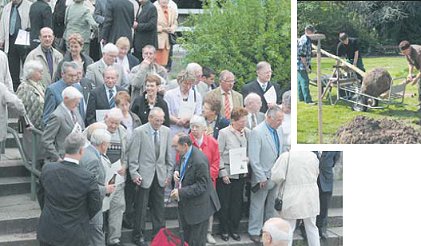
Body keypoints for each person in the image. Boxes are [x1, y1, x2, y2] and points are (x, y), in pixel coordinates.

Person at [37, 132, 102, 246]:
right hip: (75, 233)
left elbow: (41, 195)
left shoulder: (47, 169)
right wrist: (81, 217)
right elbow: (95, 205)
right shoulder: (87, 177)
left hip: (49, 230)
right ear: (82, 151)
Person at [128, 107, 174, 246]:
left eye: (161, 121)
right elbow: (133, 156)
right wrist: (134, 173)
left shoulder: (167, 131)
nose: (159, 123)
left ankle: (158, 236)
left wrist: (168, 175)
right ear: (150, 118)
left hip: (160, 175)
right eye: (156, 121)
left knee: (159, 209)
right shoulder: (139, 132)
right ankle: (138, 236)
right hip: (144, 176)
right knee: (141, 208)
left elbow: (169, 157)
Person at [171, 133, 221, 246]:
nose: (174, 149)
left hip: (199, 210)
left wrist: (180, 192)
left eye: (175, 146)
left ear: (184, 145)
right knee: (187, 240)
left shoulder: (199, 161)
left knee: (196, 242)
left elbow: (201, 186)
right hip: (188, 206)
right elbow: (180, 164)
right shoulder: (185, 153)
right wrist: (177, 171)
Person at [248, 105, 284, 243]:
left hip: (276, 174)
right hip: (262, 176)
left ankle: (268, 230)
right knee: (257, 205)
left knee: (271, 206)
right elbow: (254, 158)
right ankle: (254, 231)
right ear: (269, 117)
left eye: (281, 119)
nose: (281, 122)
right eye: (278, 120)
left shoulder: (278, 130)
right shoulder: (257, 132)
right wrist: (260, 176)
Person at [271, 151, 320, 246]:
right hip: (310, 196)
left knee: (288, 228)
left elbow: (276, 176)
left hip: (292, 196)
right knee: (312, 227)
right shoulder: (312, 156)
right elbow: (317, 172)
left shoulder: (286, 157)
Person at [217, 107, 249, 242]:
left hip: (240, 173)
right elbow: (218, 154)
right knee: (225, 204)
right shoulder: (224, 133)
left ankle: (234, 229)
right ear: (234, 121)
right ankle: (223, 229)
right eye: (241, 122)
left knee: (237, 203)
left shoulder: (247, 132)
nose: (244, 124)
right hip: (227, 174)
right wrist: (222, 172)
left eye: (245, 121)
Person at [80, 128, 116, 246]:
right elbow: (90, 187)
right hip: (92, 206)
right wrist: (106, 189)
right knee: (96, 235)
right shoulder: (93, 160)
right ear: (103, 144)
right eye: (108, 144)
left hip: (83, 206)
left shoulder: (84, 151)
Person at [188, 115, 220, 244]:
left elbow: (216, 162)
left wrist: (206, 177)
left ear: (204, 129)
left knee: (208, 207)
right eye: (192, 127)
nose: (194, 129)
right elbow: (181, 161)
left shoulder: (212, 142)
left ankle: (208, 232)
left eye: (197, 127)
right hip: (191, 182)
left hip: (208, 182)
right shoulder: (187, 141)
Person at [101, 108, 128, 246]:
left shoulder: (123, 132)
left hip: (117, 176)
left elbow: (128, 152)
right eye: (111, 122)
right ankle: (99, 239)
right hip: (101, 177)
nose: (113, 126)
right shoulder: (98, 130)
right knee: (100, 208)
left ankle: (114, 239)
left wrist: (125, 165)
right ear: (106, 118)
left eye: (116, 123)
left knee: (118, 206)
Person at [42, 86, 85, 162]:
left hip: (78, 154)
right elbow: (46, 140)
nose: (77, 105)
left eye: (78, 103)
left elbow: (82, 127)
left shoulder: (75, 110)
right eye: (75, 102)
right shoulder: (57, 116)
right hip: (64, 157)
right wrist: (57, 157)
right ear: (66, 99)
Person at [16, 60, 45, 161]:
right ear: (31, 73)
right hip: (30, 123)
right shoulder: (24, 87)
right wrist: (26, 121)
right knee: (32, 148)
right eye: (39, 71)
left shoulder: (40, 85)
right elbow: (20, 106)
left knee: (40, 148)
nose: (42, 72)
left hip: (41, 122)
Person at [0, 0, 32, 91]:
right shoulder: (7, 7)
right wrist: (1, 39)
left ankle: (26, 86)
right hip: (10, 40)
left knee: (25, 64)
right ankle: (15, 87)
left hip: (24, 40)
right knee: (12, 65)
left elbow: (31, 23)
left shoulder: (29, 6)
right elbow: (2, 24)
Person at [42, 61, 84, 125]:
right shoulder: (52, 90)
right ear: (62, 74)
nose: (73, 78)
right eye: (70, 75)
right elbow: (47, 117)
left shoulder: (78, 87)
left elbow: (81, 111)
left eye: (75, 75)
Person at [164, 69, 202, 136]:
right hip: (173, 130)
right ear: (179, 82)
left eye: (190, 84)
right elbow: (167, 112)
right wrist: (177, 121)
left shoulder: (196, 95)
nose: (187, 87)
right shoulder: (169, 95)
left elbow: (198, 113)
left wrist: (189, 120)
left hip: (189, 130)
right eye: (185, 83)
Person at [315, 151, 341, 239]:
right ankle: (306, 227)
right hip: (312, 180)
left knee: (324, 205)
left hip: (326, 178)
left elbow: (335, 159)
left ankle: (322, 228)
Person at [399, 40, 421, 112]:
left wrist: (416, 78)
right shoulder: (407, 52)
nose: (404, 54)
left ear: (409, 48)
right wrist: (410, 74)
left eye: (405, 52)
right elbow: (410, 63)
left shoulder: (418, 53)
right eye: (403, 52)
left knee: (420, 83)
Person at [155, 0, 177, 67]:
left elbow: (175, 22)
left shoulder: (172, 9)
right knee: (156, 63)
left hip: (167, 41)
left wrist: (172, 28)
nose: (164, 0)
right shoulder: (154, 9)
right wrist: (163, 29)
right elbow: (151, 25)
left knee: (164, 64)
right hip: (157, 39)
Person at [297, 25, 315, 105]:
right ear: (308, 31)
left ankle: (301, 98)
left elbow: (306, 52)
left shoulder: (308, 39)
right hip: (301, 65)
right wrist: (307, 67)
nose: (314, 33)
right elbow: (302, 55)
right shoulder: (304, 41)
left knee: (300, 82)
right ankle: (308, 100)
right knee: (305, 82)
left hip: (301, 64)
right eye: (313, 32)